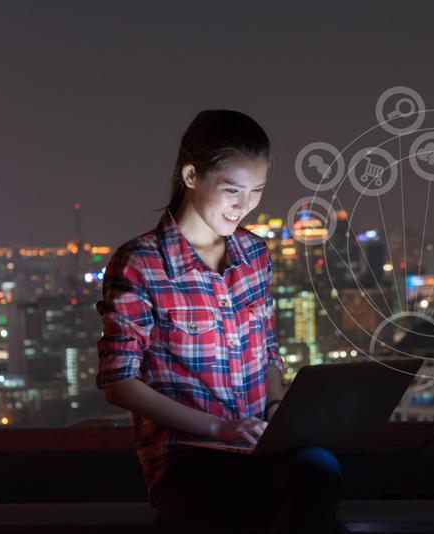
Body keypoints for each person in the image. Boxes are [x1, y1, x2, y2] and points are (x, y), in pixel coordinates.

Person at [96, 109, 344, 533]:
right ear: (191, 176)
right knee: (257, 507)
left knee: (321, 471)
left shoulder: (255, 255)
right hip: (186, 457)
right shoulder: (140, 262)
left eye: (257, 191)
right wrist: (220, 428)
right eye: (232, 189)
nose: (244, 206)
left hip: (259, 445)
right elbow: (118, 382)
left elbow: (267, 353)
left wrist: (277, 408)